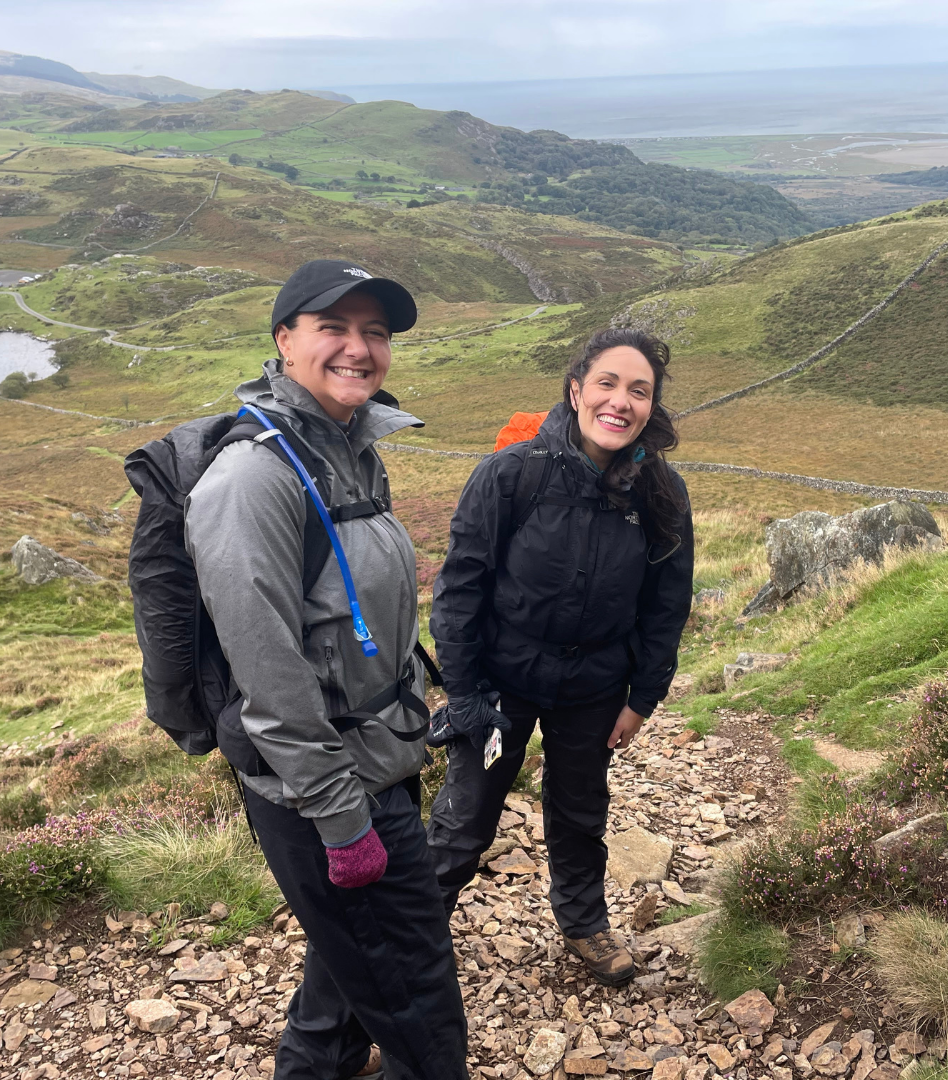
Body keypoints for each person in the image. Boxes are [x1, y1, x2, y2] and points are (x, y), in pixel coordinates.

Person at [185, 260, 468, 1080]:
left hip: (379, 764)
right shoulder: (255, 478)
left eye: (374, 331)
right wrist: (345, 821)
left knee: (345, 984)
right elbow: (269, 676)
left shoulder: (347, 447)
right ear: (283, 342)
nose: (359, 348)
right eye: (333, 328)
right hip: (331, 797)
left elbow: (354, 618)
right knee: (420, 1013)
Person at [426, 327, 694, 986]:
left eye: (639, 391)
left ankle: (582, 923)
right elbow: (459, 589)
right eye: (607, 383)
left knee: (580, 813)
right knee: (464, 822)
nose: (621, 402)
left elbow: (667, 603)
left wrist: (642, 696)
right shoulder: (511, 474)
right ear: (576, 390)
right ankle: (416, 931)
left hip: (595, 685)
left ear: (650, 407)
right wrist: (463, 697)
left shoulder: (661, 492)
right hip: (500, 681)